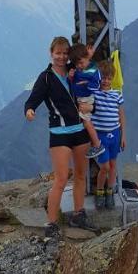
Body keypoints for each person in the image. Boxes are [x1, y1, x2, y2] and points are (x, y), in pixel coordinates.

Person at [24, 35, 89, 238]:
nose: (61, 57)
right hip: (59, 133)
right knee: (61, 179)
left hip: (79, 131)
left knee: (80, 175)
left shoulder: (74, 70)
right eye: (57, 53)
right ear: (51, 53)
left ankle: (79, 214)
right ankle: (51, 223)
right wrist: (30, 110)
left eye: (64, 53)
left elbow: (85, 55)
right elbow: (33, 99)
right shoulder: (45, 77)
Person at [93, 59, 126, 209]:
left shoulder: (117, 95)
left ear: (112, 78)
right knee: (104, 167)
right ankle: (99, 191)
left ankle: (109, 192)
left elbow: (121, 115)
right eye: (103, 78)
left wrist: (123, 135)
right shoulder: (94, 94)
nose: (106, 81)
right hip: (100, 136)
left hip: (115, 134)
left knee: (113, 165)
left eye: (108, 78)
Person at [66, 43, 105, 159]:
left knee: (87, 123)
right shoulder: (80, 69)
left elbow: (97, 85)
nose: (79, 66)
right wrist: (71, 77)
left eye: (81, 63)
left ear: (87, 58)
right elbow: (73, 84)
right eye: (77, 64)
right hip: (80, 99)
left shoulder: (94, 71)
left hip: (87, 99)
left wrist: (87, 84)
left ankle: (97, 145)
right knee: (85, 122)